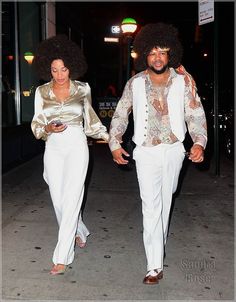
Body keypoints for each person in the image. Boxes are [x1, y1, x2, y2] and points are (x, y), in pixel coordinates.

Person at [109, 22, 207, 285]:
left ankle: (157, 245)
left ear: (170, 54)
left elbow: (195, 114)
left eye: (162, 52)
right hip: (145, 151)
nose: (157, 58)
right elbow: (121, 114)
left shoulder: (184, 81)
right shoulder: (135, 83)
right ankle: (154, 265)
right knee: (151, 206)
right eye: (152, 53)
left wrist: (199, 143)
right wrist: (115, 142)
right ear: (144, 55)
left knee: (166, 200)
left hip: (174, 150)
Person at [31, 35, 109, 275]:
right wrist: (47, 128)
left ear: (71, 67)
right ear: (48, 70)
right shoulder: (41, 92)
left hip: (76, 144)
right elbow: (36, 125)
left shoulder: (83, 89)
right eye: (54, 70)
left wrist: (110, 139)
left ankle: (62, 256)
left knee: (73, 196)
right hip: (53, 146)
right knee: (58, 199)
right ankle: (79, 229)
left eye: (63, 69)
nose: (59, 74)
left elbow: (91, 119)